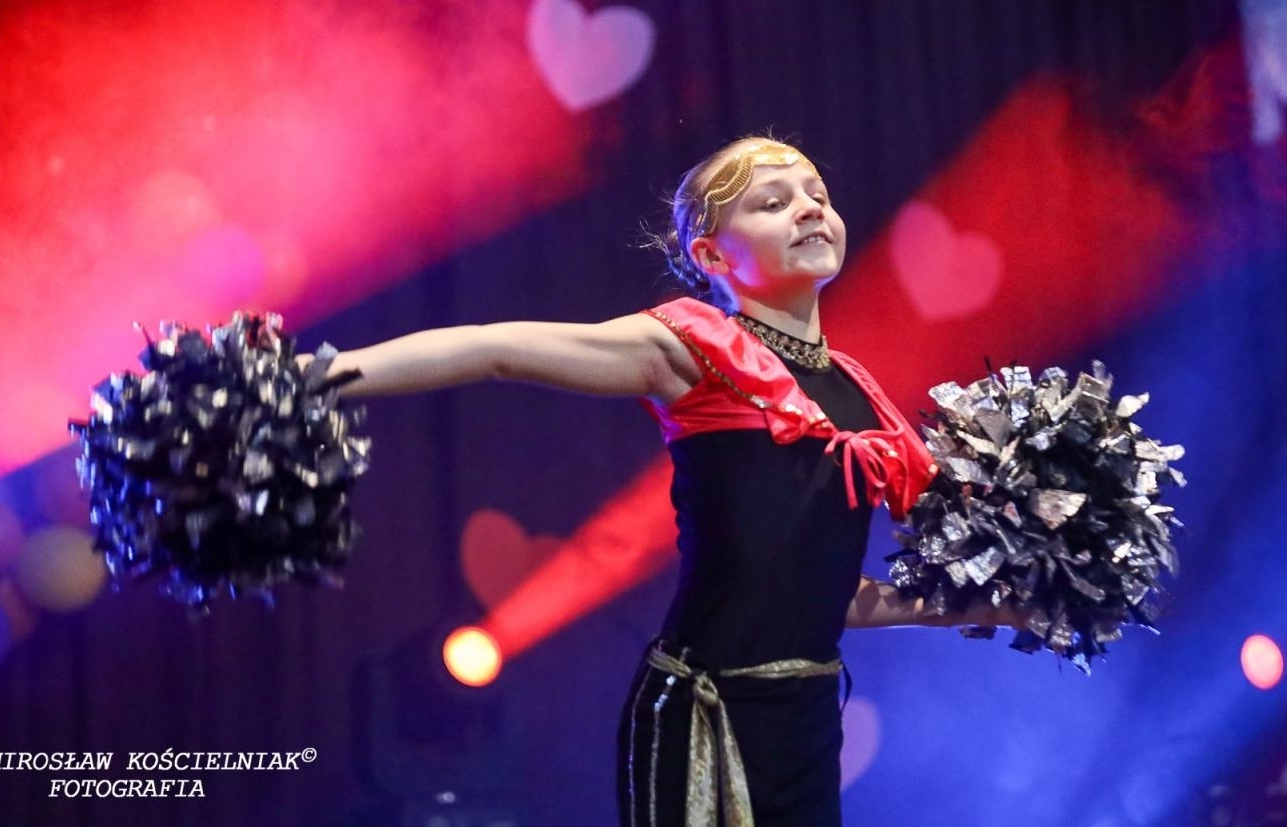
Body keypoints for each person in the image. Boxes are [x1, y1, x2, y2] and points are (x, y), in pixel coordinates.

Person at [313, 135, 1031, 826]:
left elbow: (827, 599)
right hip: (706, 716)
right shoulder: (692, 348)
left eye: (817, 195)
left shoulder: (856, 392)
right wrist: (319, 378)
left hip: (808, 722)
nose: (810, 209)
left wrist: (1009, 607)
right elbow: (493, 349)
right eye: (773, 203)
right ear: (711, 253)